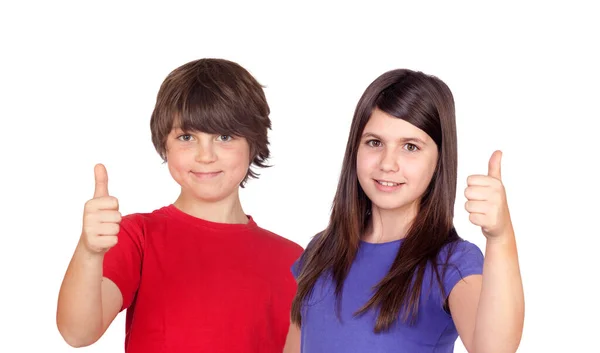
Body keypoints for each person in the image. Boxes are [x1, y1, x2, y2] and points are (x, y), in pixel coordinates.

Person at [56, 58, 303, 353]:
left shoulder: (294, 261)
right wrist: (89, 252)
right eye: (187, 137)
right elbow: (77, 332)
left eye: (224, 137)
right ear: (165, 144)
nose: (205, 155)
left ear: (254, 143)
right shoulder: (138, 237)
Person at [283, 69, 524, 353]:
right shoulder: (320, 251)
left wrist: (500, 237)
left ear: (439, 161)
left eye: (410, 147)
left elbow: (494, 349)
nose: (388, 163)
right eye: (374, 142)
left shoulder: (450, 263)